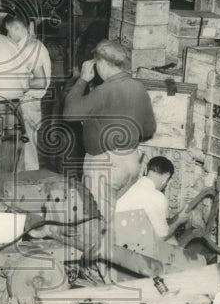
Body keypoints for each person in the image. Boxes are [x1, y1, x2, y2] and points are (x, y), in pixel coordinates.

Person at [61, 39, 156, 224]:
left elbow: (69, 114)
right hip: (131, 162)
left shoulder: (103, 91)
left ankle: (104, 253)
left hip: (105, 166)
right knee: (123, 218)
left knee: (100, 222)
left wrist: (81, 81)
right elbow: (149, 128)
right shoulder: (139, 88)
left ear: (102, 63)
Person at [4, 11, 51, 171]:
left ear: (16, 28)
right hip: (27, 103)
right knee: (23, 149)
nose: (7, 35)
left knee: (28, 151)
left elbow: (40, 81)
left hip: (29, 104)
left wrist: (13, 82)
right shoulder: (30, 45)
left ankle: (30, 185)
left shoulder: (30, 48)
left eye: (8, 31)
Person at [116, 155, 174, 238]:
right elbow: (162, 237)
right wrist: (180, 220)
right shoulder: (157, 197)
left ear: (146, 170)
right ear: (167, 176)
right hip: (124, 245)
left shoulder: (130, 184)